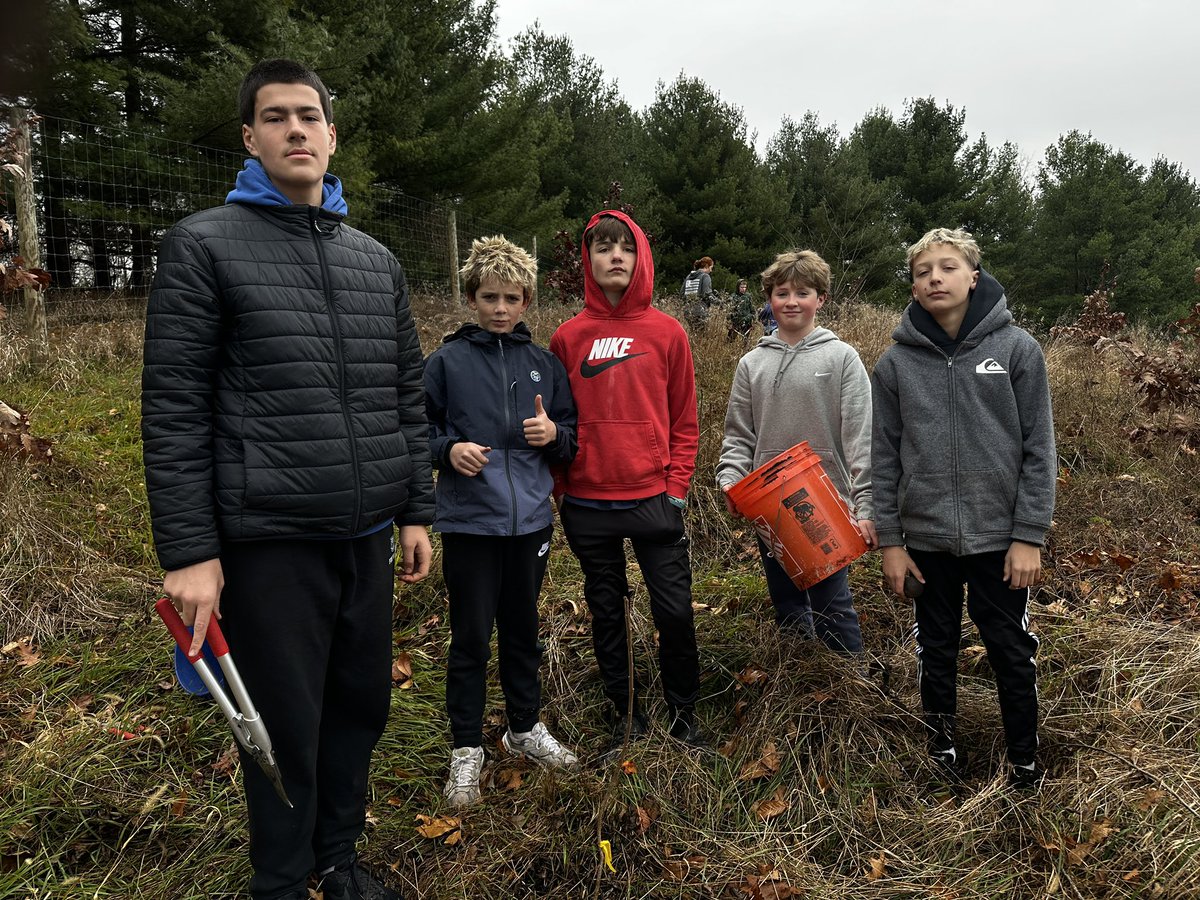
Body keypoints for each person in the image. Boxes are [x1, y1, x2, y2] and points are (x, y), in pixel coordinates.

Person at [142, 58, 432, 900]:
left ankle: (338, 859)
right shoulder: (203, 246)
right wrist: (192, 553)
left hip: (365, 537)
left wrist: (414, 508)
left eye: (310, 115)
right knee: (284, 724)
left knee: (359, 708)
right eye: (276, 118)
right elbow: (174, 409)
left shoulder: (375, 261)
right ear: (250, 137)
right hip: (268, 539)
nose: (296, 130)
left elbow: (402, 397)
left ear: (332, 135)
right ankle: (281, 878)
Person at [871, 227, 1056, 789]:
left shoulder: (1016, 349)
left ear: (973, 276)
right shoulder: (896, 363)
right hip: (925, 541)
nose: (935, 278)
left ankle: (1024, 763)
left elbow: (1038, 449)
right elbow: (884, 457)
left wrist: (1029, 535)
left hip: (1001, 540)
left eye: (947, 267)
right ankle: (942, 753)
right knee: (936, 648)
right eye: (923, 271)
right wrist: (891, 544)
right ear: (913, 285)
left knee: (1010, 648)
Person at [424, 236, 580, 807]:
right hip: (470, 523)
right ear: (471, 297)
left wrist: (554, 436)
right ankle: (466, 746)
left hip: (532, 523)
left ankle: (524, 727)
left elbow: (571, 437)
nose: (499, 308)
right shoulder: (445, 363)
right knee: (469, 636)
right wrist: (448, 452)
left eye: (511, 298)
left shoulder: (544, 365)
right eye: (489, 296)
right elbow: (417, 430)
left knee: (522, 630)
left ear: (526, 301)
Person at [549, 210, 706, 758]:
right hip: (588, 503)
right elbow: (558, 424)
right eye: (602, 248)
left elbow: (685, 421)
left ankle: (684, 715)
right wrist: (562, 488)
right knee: (606, 611)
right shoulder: (567, 338)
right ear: (588, 261)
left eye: (625, 247)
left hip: (653, 501)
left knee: (675, 611)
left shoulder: (668, 333)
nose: (614, 256)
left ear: (641, 258)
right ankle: (627, 713)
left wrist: (676, 488)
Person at [716, 250, 876, 652]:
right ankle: (802, 679)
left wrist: (866, 502)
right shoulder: (752, 363)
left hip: (826, 502)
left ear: (820, 298)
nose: (791, 301)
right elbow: (739, 434)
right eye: (781, 292)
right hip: (767, 504)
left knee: (832, 604)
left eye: (802, 292)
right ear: (769, 297)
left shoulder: (842, 358)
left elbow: (861, 434)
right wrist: (731, 479)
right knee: (787, 602)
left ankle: (848, 680)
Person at [681, 255, 715, 330]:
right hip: (700, 311)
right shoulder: (705, 276)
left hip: (687, 311)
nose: (711, 271)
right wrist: (719, 302)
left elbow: (682, 293)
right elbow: (707, 294)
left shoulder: (688, 276)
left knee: (694, 334)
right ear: (706, 266)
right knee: (702, 336)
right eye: (711, 268)